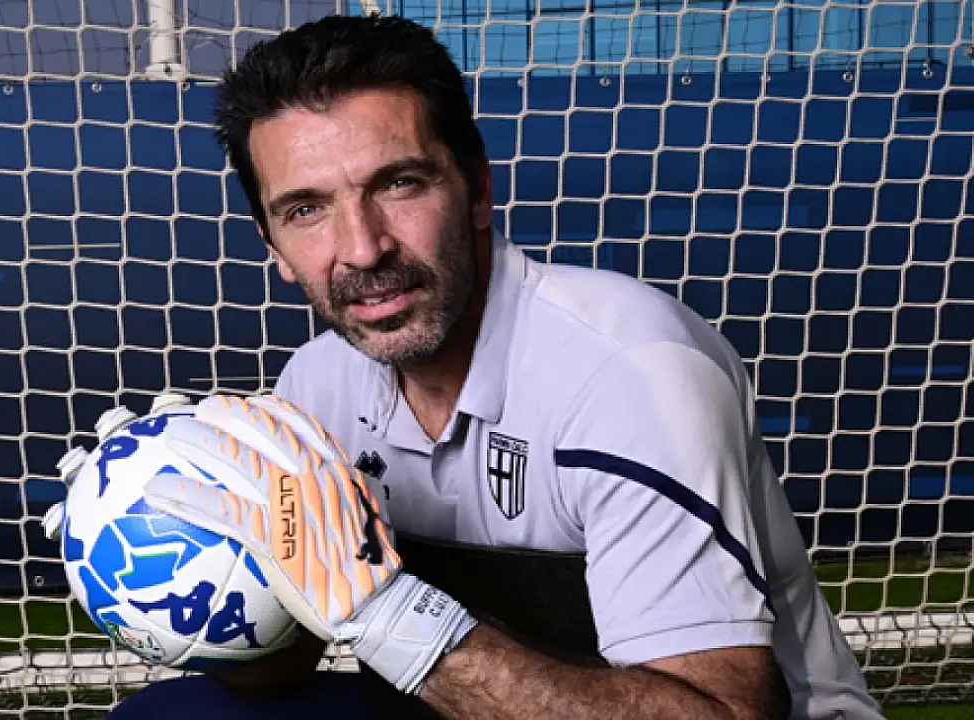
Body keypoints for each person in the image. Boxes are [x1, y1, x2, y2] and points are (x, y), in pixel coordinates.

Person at [109, 13, 884, 720]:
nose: (363, 249)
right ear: (273, 245)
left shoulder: (630, 373)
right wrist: (156, 543)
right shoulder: (317, 390)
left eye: (398, 183)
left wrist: (387, 612)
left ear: (477, 188)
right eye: (307, 209)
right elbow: (282, 670)